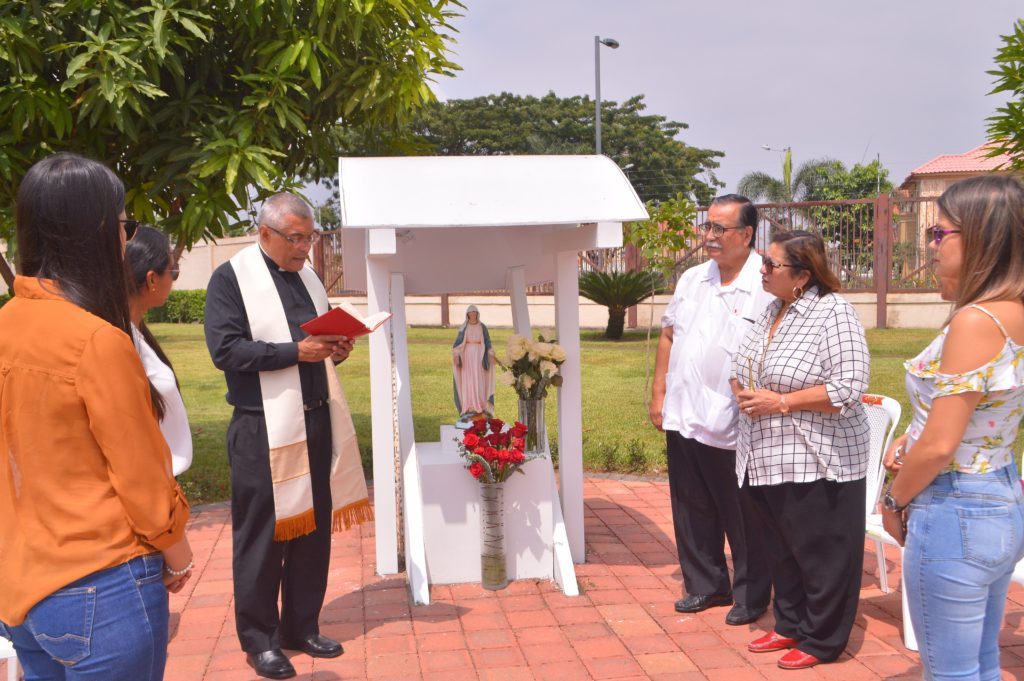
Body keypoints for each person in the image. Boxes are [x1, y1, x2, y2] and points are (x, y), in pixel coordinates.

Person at [0, 152, 192, 680]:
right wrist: (180, 556)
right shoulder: (95, 341)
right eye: (124, 224)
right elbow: (144, 482)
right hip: (100, 584)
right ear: (99, 231)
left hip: (22, 585)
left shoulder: (8, 325)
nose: (126, 240)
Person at [204, 192, 372, 680]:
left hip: (315, 418)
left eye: (309, 237)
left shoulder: (309, 277)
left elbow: (315, 343)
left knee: (311, 532)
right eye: (295, 239)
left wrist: (336, 349)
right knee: (263, 537)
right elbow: (227, 350)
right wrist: (295, 352)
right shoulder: (232, 279)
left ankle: (302, 626)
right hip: (262, 426)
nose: (304, 248)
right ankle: (261, 640)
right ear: (264, 233)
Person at [881, 175, 1024, 680]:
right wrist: (910, 435)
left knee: (950, 671)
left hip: (954, 506)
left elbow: (942, 444)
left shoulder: (977, 320)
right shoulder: (1013, 312)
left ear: (982, 236)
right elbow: (978, 415)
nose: (933, 247)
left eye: (939, 234)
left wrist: (894, 499)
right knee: (980, 662)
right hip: (998, 497)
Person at [731, 230, 870, 670]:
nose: (762, 271)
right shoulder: (773, 308)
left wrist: (781, 402)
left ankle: (823, 638)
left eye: (772, 265)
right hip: (764, 454)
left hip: (817, 457)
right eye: (764, 263)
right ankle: (790, 622)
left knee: (821, 553)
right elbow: (739, 362)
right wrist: (743, 392)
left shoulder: (833, 313)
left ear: (803, 275)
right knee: (783, 548)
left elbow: (849, 386)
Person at [650, 194, 774, 626]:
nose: (710, 237)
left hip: (734, 418)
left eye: (720, 229)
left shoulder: (765, 282)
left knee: (742, 510)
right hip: (684, 411)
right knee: (691, 504)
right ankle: (705, 585)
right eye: (707, 227)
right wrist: (658, 392)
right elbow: (669, 335)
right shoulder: (691, 279)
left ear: (747, 234)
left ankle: (751, 594)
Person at [126, 226, 192, 475]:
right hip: (146, 482)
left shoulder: (136, 332)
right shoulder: (120, 341)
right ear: (152, 279)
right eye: (173, 271)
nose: (174, 280)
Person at [452, 304, 496, 418]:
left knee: (479, 378)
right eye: (470, 313)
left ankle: (481, 404)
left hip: (479, 355)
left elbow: (487, 341)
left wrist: (490, 353)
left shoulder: (482, 327)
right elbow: (457, 344)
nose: (472, 315)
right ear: (467, 315)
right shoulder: (463, 327)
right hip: (466, 355)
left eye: (474, 313)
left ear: (477, 314)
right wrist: (456, 354)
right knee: (468, 379)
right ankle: (469, 405)